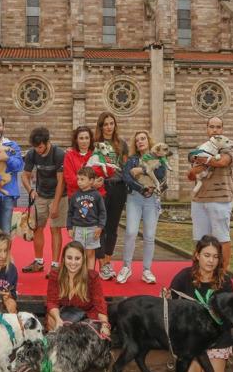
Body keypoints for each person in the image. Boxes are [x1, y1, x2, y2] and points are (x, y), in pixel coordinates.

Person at [169, 235, 233, 372]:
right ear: (197, 255)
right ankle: (197, 360)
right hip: (191, 338)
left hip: (216, 338)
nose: (211, 261)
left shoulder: (225, 282)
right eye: (207, 255)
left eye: (215, 257)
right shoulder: (184, 277)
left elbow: (229, 317)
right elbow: (170, 308)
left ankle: (216, 359)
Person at [187, 116, 233, 273]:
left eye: (218, 127)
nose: (215, 130)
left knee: (222, 238)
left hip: (220, 199)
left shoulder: (229, 147)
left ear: (222, 130)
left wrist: (201, 159)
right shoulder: (201, 147)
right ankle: (198, 273)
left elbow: (222, 162)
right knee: (200, 240)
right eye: (212, 127)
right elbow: (191, 174)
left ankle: (223, 274)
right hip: (199, 199)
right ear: (207, 129)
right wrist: (196, 167)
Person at [21, 126, 66, 276]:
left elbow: (61, 181)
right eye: (36, 147)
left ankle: (55, 265)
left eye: (40, 147)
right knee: (37, 227)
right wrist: (31, 190)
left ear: (47, 142)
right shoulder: (32, 153)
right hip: (41, 193)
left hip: (58, 194)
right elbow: (25, 175)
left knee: (55, 229)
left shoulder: (59, 154)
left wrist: (56, 204)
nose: (38, 150)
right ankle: (38, 262)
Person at [122, 130, 166, 285]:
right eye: (137, 140)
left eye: (143, 139)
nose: (140, 141)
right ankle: (126, 267)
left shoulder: (158, 157)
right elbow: (126, 176)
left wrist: (141, 170)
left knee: (149, 236)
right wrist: (140, 188)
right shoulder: (132, 159)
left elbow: (160, 174)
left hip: (152, 199)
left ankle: (147, 270)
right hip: (135, 198)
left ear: (149, 140)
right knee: (130, 232)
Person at [45, 240, 110, 335]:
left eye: (77, 258)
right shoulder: (55, 275)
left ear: (83, 259)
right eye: (69, 258)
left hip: (86, 317)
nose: (73, 262)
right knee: (52, 320)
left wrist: (104, 325)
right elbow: (52, 301)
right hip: (64, 314)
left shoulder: (92, 277)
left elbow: (100, 304)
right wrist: (58, 319)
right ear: (63, 258)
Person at [94, 112, 129, 281]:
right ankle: (101, 264)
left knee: (112, 227)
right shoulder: (96, 144)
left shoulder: (121, 144)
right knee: (100, 226)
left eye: (111, 123)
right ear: (101, 126)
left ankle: (107, 262)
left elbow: (125, 166)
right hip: (102, 188)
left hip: (119, 188)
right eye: (105, 124)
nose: (109, 127)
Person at [67, 166, 106, 275]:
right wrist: (69, 227)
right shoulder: (75, 195)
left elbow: (102, 212)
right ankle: (78, 274)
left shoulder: (97, 195)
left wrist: (100, 226)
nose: (79, 182)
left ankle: (90, 275)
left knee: (90, 253)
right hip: (77, 228)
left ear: (91, 181)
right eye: (78, 179)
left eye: (82, 179)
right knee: (78, 253)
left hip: (92, 228)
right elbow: (70, 213)